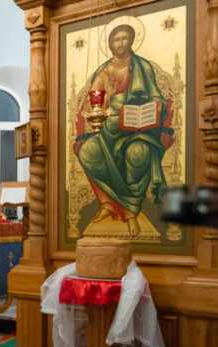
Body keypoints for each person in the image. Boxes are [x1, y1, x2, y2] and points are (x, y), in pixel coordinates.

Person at [74, 23, 173, 237]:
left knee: (138, 153)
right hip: (109, 130)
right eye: (116, 40)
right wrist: (105, 102)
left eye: (124, 38)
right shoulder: (104, 71)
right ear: (110, 44)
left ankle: (131, 211)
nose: (120, 43)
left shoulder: (142, 67)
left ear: (131, 41)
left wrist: (154, 108)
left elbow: (158, 98)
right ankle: (107, 203)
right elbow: (91, 104)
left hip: (138, 130)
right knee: (87, 151)